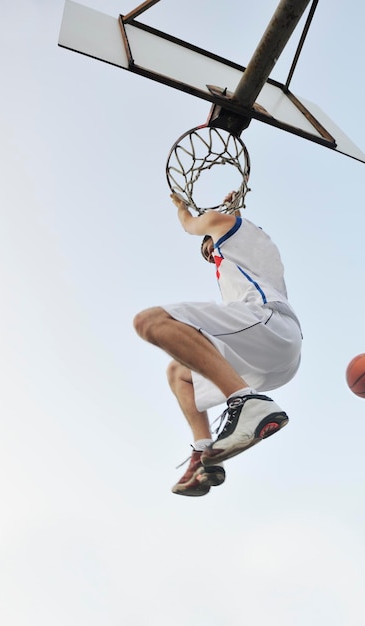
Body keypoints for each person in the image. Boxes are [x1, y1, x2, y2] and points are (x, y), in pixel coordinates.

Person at [133, 192, 302, 496]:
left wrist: (182, 209)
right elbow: (232, 230)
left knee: (151, 322)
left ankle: (247, 403)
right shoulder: (245, 255)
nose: (209, 254)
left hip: (268, 323)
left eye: (208, 247)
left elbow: (195, 225)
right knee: (178, 372)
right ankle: (204, 454)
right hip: (271, 353)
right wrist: (233, 206)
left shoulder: (232, 230)